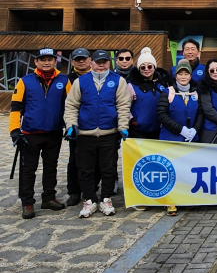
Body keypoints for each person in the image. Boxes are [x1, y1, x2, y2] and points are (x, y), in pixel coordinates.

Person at [64, 50, 130, 219]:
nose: (101, 65)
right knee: (85, 169)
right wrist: (72, 125)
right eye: (98, 61)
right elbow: (71, 105)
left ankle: (106, 198)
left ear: (110, 63)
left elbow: (123, 106)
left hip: (109, 133)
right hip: (86, 133)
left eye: (105, 61)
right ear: (91, 62)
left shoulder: (118, 81)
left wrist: (123, 127)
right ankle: (89, 199)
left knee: (108, 168)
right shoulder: (81, 81)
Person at [9, 48, 70, 219]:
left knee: (51, 167)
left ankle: (49, 198)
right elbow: (16, 108)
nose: (46, 62)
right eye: (42, 59)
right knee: (28, 169)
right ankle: (27, 202)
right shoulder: (24, 81)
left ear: (55, 61)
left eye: (50, 59)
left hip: (54, 132)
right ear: (35, 62)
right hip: (30, 133)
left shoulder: (64, 81)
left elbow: (70, 106)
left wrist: (70, 126)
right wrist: (15, 130)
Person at [158, 59, 203, 215]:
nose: (183, 76)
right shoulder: (167, 92)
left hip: (190, 139)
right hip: (171, 139)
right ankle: (171, 201)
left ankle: (186, 198)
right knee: (172, 171)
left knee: (187, 171)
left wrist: (195, 130)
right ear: (175, 75)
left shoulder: (196, 93)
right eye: (180, 73)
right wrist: (181, 129)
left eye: (186, 73)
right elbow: (161, 115)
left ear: (190, 75)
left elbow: (200, 114)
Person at [66, 47, 94, 207]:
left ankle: (90, 189)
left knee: (94, 160)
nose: (81, 61)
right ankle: (74, 191)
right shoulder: (66, 79)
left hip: (94, 125)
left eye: (84, 58)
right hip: (76, 127)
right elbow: (68, 104)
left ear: (90, 60)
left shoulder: (97, 76)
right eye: (78, 59)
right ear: (73, 62)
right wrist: (69, 124)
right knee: (74, 160)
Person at [127, 47, 172, 139]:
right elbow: (124, 105)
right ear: (139, 69)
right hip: (138, 131)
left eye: (149, 66)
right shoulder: (132, 85)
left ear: (154, 67)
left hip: (158, 130)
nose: (146, 69)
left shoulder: (163, 83)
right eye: (143, 67)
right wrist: (132, 120)